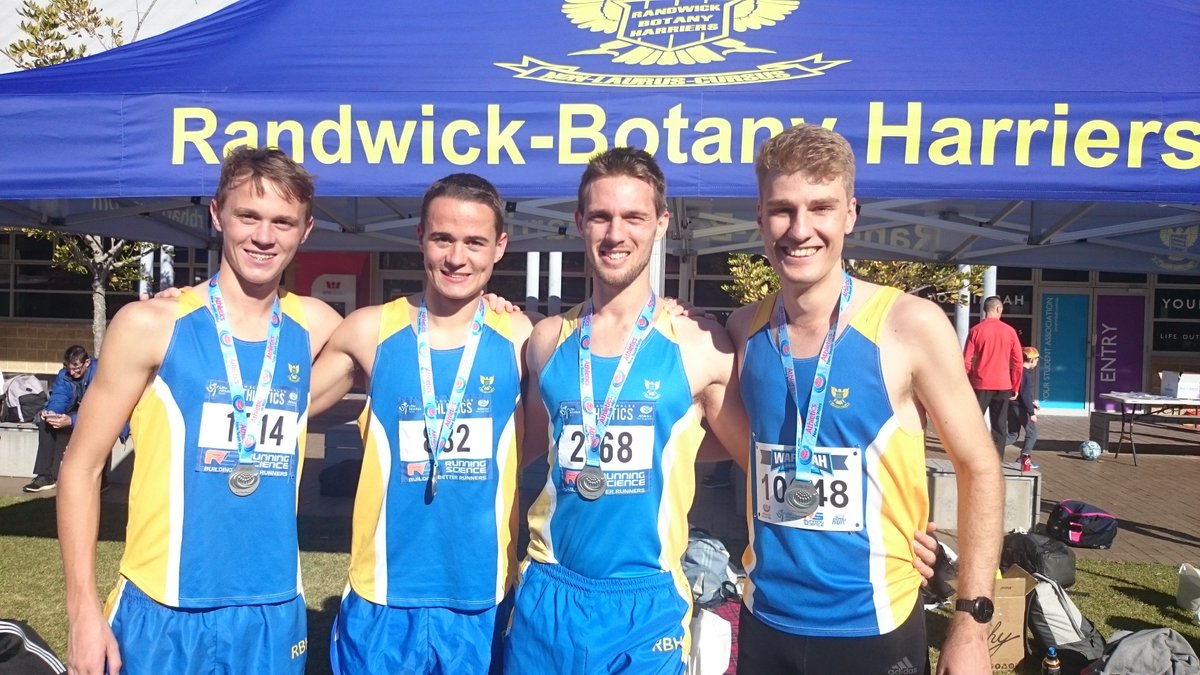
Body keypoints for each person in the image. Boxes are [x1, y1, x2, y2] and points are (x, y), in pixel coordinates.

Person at [726, 125, 1003, 674]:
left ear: (850, 214)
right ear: (760, 217)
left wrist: (971, 623)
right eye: (782, 210)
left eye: (820, 208)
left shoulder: (908, 325)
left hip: (876, 628)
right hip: (766, 624)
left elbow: (980, 465)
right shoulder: (741, 332)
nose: (799, 230)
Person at [56, 146, 342, 675]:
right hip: (162, 610)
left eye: (282, 222)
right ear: (216, 215)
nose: (263, 236)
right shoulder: (150, 324)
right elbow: (81, 467)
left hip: (272, 610)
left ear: (305, 231)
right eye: (247, 216)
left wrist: (487, 302)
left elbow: (414, 332)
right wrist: (81, 612)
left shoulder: (320, 325)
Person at [504, 147, 754, 674]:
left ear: (661, 224)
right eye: (601, 216)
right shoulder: (546, 341)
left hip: (648, 602)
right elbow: (514, 455)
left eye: (634, 216)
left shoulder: (699, 343)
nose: (616, 233)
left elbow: (757, 460)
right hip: (551, 591)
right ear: (579, 223)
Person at [312, 173, 535, 675]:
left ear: (500, 247)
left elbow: (551, 435)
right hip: (383, 598)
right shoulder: (370, 330)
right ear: (420, 237)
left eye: (475, 242)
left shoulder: (522, 338)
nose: (457, 258)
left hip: (483, 597)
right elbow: (281, 403)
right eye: (443, 239)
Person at [23, 346, 103, 493]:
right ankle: (45, 476)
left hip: (102, 415)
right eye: (69, 368)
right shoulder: (64, 375)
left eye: (76, 368)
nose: (72, 373)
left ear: (87, 363)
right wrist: (52, 413)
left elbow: (100, 411)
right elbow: (59, 397)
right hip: (77, 412)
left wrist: (72, 420)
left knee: (97, 428)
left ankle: (101, 480)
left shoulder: (100, 374)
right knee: (45, 423)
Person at [963, 295, 1023, 457]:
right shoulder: (1010, 331)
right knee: (1000, 424)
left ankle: (971, 456)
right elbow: (1018, 362)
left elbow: (966, 361)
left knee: (974, 422)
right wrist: (1015, 386)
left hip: (980, 384)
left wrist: (968, 381)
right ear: (998, 309)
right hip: (1003, 385)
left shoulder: (975, 331)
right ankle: (997, 459)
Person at [1007, 346, 1041, 471]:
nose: (1037, 363)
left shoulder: (1015, 371)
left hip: (1012, 407)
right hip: (1021, 408)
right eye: (1037, 360)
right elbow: (1025, 394)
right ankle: (1024, 459)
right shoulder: (1027, 375)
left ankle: (992, 447)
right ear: (1031, 360)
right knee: (1032, 434)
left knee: (1012, 435)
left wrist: (1032, 402)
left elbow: (1020, 392)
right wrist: (1031, 412)